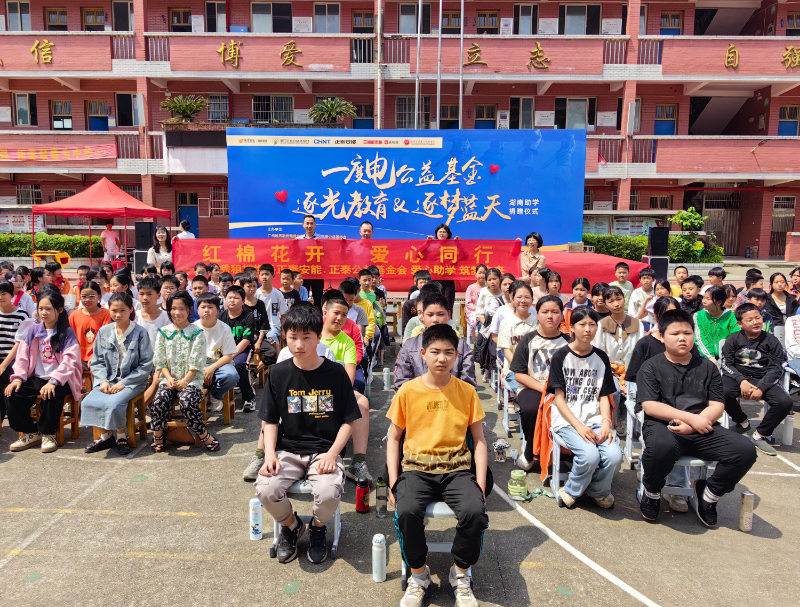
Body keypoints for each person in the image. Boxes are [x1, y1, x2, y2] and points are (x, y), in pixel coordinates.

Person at [387, 324, 488, 607]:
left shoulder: (466, 391)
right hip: (416, 469)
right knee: (407, 512)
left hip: (457, 469)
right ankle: (419, 576)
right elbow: (393, 439)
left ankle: (460, 573)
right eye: (435, 352)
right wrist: (394, 482)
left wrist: (480, 485)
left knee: (474, 512)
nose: (442, 358)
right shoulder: (407, 391)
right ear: (423, 354)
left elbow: (480, 440)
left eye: (448, 352)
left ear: (456, 355)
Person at [255, 303, 360, 565]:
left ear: (318, 337)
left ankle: (317, 527)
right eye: (293, 337)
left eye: (306, 337)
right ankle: (291, 526)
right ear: (285, 337)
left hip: (324, 451)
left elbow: (349, 421)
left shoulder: (335, 373)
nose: (299, 344)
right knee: (266, 489)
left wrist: (333, 454)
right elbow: (270, 420)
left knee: (328, 492)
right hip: (287, 450)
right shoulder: (278, 373)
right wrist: (269, 454)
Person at [637, 309, 757, 527]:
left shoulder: (708, 367)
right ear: (662, 336)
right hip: (665, 426)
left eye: (687, 333)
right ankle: (652, 493)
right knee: (659, 449)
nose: (682, 338)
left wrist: (695, 424)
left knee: (745, 450)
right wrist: (690, 420)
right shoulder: (651, 366)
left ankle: (709, 495)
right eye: (675, 334)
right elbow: (650, 406)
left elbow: (717, 405)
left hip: (702, 427)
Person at [548, 307, 622, 508]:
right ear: (571, 328)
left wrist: (606, 422)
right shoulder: (561, 356)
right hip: (567, 420)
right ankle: (572, 489)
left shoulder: (601, 357)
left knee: (615, 456)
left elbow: (604, 395)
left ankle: (597, 490)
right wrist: (579, 426)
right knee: (590, 456)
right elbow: (559, 399)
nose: (587, 329)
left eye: (592, 324)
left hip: (596, 419)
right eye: (582, 324)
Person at [625, 296, 690, 512]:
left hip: (680, 405)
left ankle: (677, 487)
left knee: (682, 432)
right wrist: (640, 404)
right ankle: (652, 482)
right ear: (656, 316)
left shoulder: (685, 344)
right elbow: (633, 380)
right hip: (650, 404)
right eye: (667, 314)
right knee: (661, 436)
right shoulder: (645, 344)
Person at [5, 289, 82, 453]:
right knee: (12, 393)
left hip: (62, 379)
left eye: (48, 309)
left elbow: (70, 360)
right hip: (38, 377)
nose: (43, 312)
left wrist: (54, 381)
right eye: (40, 308)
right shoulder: (33, 331)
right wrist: (17, 378)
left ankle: (48, 434)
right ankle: (32, 432)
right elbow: (22, 357)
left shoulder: (66, 332)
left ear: (59, 310)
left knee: (51, 394)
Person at [81, 293, 154, 455]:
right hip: (108, 379)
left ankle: (121, 436)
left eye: (122, 310)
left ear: (131, 310)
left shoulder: (140, 333)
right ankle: (106, 436)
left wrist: (124, 383)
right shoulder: (104, 331)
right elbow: (98, 361)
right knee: (87, 403)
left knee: (115, 403)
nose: (118, 314)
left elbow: (146, 365)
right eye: (114, 310)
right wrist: (102, 381)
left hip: (133, 381)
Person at [149, 290, 219, 453]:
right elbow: (160, 360)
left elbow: (196, 361)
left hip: (192, 381)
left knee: (187, 402)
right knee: (159, 401)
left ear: (189, 309)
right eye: (173, 309)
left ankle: (204, 435)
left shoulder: (197, 333)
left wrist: (185, 381)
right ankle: (158, 435)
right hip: (169, 380)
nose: (177, 312)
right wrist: (168, 378)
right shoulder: (163, 332)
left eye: (181, 309)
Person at [721, 303, 792, 456]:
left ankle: (760, 435)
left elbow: (777, 367)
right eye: (750, 320)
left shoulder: (772, 340)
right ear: (740, 323)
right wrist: (741, 381)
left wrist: (761, 387)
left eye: (758, 318)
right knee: (721, 392)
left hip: (763, 378)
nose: (755, 322)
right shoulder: (733, 339)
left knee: (785, 402)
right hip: (738, 378)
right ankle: (743, 423)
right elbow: (726, 364)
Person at [509, 295, 570, 471]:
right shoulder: (528, 339)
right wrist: (545, 389)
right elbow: (520, 374)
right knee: (532, 409)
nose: (550, 316)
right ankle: (530, 452)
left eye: (555, 312)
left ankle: (566, 453)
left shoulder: (569, 342)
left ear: (562, 315)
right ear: (538, 314)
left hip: (562, 390)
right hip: (533, 387)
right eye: (545, 312)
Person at [319, 293, 372, 483]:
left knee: (362, 403)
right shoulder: (312, 337)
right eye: (336, 313)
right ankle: (263, 454)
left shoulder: (347, 341)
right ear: (325, 311)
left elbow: (349, 375)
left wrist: (339, 395)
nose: (340, 318)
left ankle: (358, 462)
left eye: (344, 315)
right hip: (311, 392)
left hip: (338, 391)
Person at [395, 292, 476, 390]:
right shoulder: (410, 345)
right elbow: (401, 383)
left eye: (440, 314)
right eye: (430, 315)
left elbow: (468, 385)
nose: (435, 320)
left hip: (453, 398)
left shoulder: (462, 346)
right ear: (422, 316)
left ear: (449, 315)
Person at [592, 285, 640, 434]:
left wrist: (631, 370)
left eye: (619, 299)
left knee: (634, 391)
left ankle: (626, 419)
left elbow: (640, 350)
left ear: (624, 300)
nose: (616, 304)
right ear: (606, 305)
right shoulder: (602, 325)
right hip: (610, 369)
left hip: (631, 369)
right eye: (611, 301)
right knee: (613, 391)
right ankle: (613, 421)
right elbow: (598, 350)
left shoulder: (636, 323)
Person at [190, 292, 239, 413]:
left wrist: (212, 368)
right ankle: (199, 398)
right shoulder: (192, 329)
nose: (206, 310)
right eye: (203, 307)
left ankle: (216, 395)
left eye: (210, 307)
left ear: (218, 311)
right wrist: (202, 368)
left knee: (231, 376)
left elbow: (228, 356)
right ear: (197, 310)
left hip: (220, 363)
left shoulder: (225, 328)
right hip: (198, 364)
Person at [218, 286, 258, 412]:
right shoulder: (220, 317)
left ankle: (249, 397)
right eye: (229, 297)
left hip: (243, 349)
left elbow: (246, 340)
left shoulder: (248, 317)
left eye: (236, 298)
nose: (232, 300)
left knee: (240, 364)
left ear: (243, 301)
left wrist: (230, 356)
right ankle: (216, 398)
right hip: (223, 350)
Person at [498, 282, 538, 397]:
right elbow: (507, 351)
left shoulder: (537, 322)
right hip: (514, 371)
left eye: (527, 297)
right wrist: (522, 367)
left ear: (532, 300)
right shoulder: (506, 323)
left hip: (536, 371)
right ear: (513, 299)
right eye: (519, 297)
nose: (523, 301)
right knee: (528, 395)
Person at [0, 279, 30, 425]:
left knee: (7, 384)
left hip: (15, 360)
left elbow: (19, 344)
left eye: (3, 293)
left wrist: (4, 364)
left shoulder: (22, 316)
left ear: (12, 295)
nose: (0, 297)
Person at [69, 281, 111, 370]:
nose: (87, 299)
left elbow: (106, 339)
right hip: (78, 359)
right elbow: (70, 339)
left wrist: (96, 357)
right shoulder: (74, 315)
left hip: (100, 358)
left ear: (100, 297)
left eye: (92, 296)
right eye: (84, 296)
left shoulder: (106, 314)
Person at [694, 285, 739, 366]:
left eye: (708, 299)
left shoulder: (731, 316)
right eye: (704, 298)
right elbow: (699, 338)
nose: (704, 301)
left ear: (719, 302)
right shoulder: (698, 316)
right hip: (704, 356)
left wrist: (726, 357)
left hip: (726, 357)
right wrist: (710, 357)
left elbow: (735, 337)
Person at [134, 276, 170, 361]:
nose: (145, 298)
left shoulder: (166, 317)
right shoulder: (134, 316)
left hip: (160, 361)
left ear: (158, 295)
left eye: (149, 294)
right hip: (139, 361)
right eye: (141, 294)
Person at [295, 214, 324, 307]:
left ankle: (318, 315)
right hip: (304, 272)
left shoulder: (322, 239)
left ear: (315, 224)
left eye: (311, 223)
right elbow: (294, 255)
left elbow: (328, 255)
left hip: (317, 272)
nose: (309, 226)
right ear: (303, 225)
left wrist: (320, 244)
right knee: (303, 297)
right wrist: (294, 244)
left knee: (318, 298)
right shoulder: (298, 240)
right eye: (307, 223)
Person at [257, 263, 287, 348]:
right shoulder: (256, 294)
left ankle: (277, 354)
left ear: (273, 277)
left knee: (271, 336)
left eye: (267, 274)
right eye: (262, 274)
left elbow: (283, 314)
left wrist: (283, 330)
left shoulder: (278, 294)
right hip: (258, 326)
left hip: (274, 326)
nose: (264, 277)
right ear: (259, 276)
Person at [763, 272, 798, 342]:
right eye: (776, 282)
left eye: (782, 282)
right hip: (773, 329)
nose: (779, 284)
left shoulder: (792, 299)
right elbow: (770, 315)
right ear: (771, 284)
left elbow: (795, 314)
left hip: (792, 329)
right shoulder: (767, 299)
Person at [431, 223, 456, 314]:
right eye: (440, 232)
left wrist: (459, 244)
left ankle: (447, 321)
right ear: (436, 234)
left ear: (448, 234)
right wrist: (427, 243)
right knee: (434, 303)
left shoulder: (453, 245)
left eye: (444, 232)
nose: (442, 234)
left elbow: (464, 256)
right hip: (434, 279)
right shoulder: (431, 245)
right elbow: (418, 254)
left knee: (448, 304)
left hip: (448, 279)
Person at [629, 268, 656, 332]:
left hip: (654, 322)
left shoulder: (656, 292)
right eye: (644, 278)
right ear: (640, 280)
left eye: (648, 278)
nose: (646, 280)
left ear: (653, 280)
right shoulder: (636, 293)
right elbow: (632, 310)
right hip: (640, 321)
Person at [465, 264, 487, 341]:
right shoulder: (471, 288)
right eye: (480, 273)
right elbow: (468, 303)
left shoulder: (488, 288)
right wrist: (477, 309)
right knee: (473, 322)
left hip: (485, 311)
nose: (482, 275)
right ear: (475, 274)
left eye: (484, 273)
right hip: (473, 312)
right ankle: (474, 340)